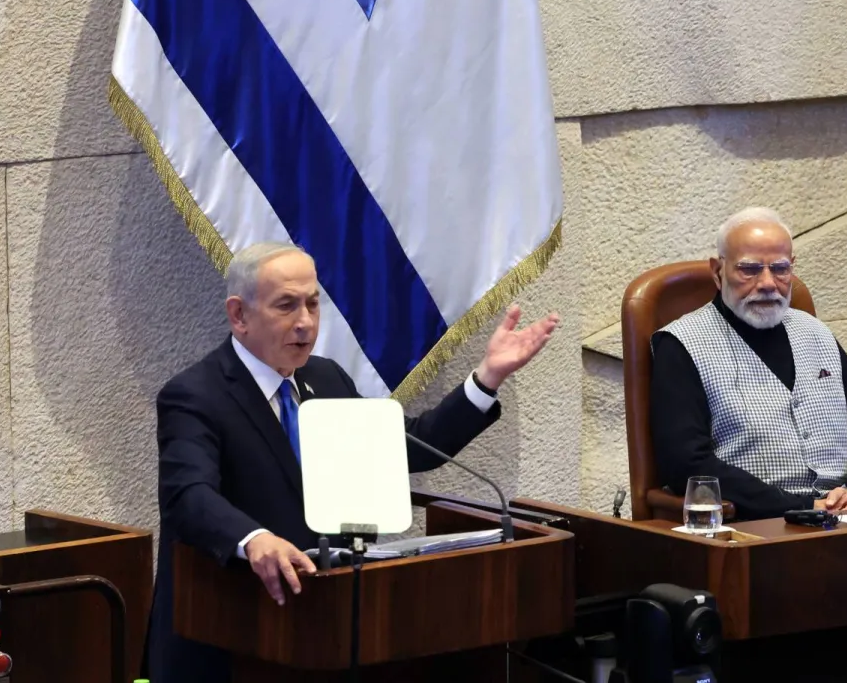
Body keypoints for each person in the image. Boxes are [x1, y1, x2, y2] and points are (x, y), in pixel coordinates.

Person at [148, 242, 560, 683]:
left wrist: (487, 378)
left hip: (321, 633)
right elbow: (188, 496)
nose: (305, 322)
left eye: (312, 304)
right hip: (227, 640)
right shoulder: (195, 395)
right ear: (239, 315)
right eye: (286, 306)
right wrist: (253, 539)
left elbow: (411, 445)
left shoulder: (325, 379)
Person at [649, 207, 847, 520]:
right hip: (757, 524)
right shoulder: (681, 343)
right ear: (717, 271)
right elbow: (686, 464)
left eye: (780, 269)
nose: (768, 283)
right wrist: (801, 508)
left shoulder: (815, 332)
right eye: (750, 270)